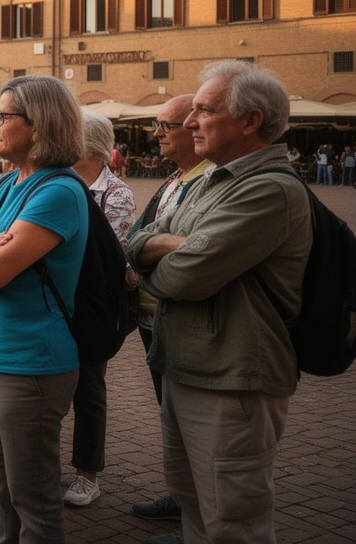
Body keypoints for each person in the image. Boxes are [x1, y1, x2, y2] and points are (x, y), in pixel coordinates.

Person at [128, 61, 310, 544]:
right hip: (191, 367)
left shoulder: (269, 188)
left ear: (250, 121)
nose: (189, 122)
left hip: (233, 380)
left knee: (233, 522)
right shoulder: (214, 181)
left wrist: (163, 251)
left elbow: (185, 278)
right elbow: (133, 240)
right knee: (194, 508)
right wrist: (172, 242)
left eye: (204, 110)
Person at [0, 75, 88, 544]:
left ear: (40, 124)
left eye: (3, 116)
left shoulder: (59, 192)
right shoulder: (9, 183)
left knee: (33, 497)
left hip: (31, 362)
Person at [123, 94, 208, 530]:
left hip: (175, 315)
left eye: (164, 126)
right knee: (170, 413)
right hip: (151, 317)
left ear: (193, 130)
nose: (156, 135)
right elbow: (140, 238)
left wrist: (141, 259)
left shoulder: (207, 182)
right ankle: (182, 499)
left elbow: (186, 250)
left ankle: (194, 516)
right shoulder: (175, 179)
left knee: (189, 419)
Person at [61, 113, 137, 509]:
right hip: (59, 302)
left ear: (86, 147)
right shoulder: (63, 182)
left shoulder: (115, 194)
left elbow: (107, 257)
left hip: (92, 308)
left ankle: (87, 474)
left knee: (89, 390)